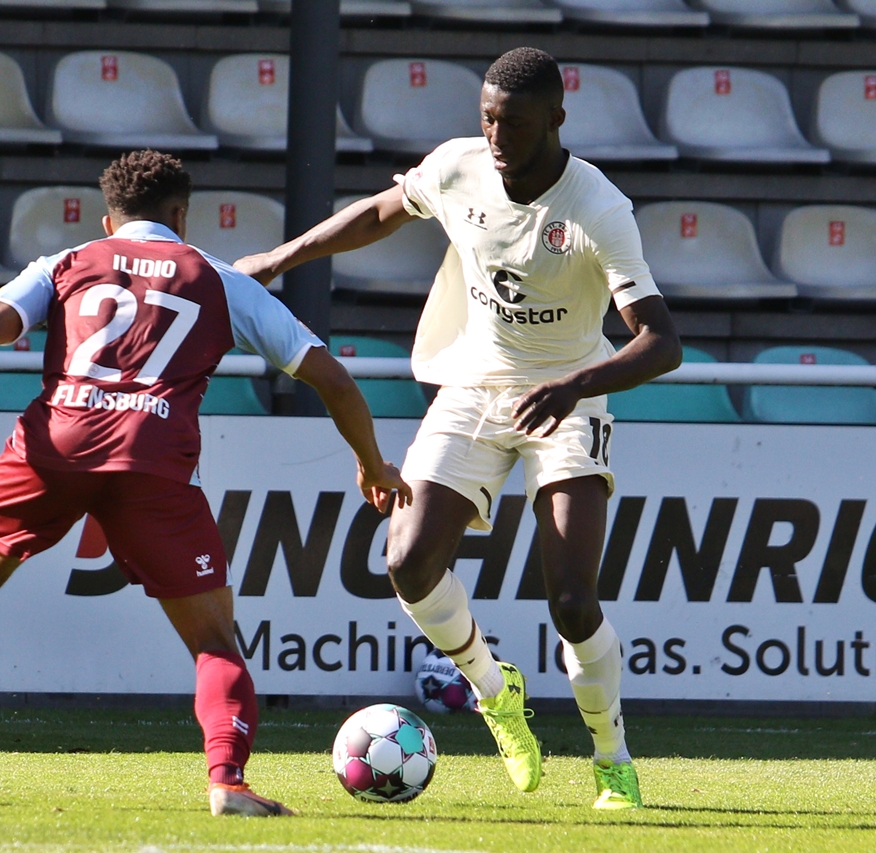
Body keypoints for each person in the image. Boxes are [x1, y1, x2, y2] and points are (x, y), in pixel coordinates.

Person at [0, 150, 411, 817]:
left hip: (55, 443)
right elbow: (333, 378)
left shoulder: (70, 261)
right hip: (154, 459)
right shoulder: (219, 278)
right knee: (214, 638)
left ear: (108, 217)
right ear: (181, 216)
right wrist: (371, 462)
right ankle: (227, 781)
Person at [236, 48, 681, 810]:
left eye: (513, 120)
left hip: (569, 395)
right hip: (473, 384)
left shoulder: (598, 207)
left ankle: (613, 758)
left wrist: (574, 383)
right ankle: (492, 688)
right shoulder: (458, 166)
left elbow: (659, 342)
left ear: (556, 120)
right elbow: (380, 211)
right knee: (406, 560)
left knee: (573, 601)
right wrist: (283, 255)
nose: (496, 133)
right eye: (487, 117)